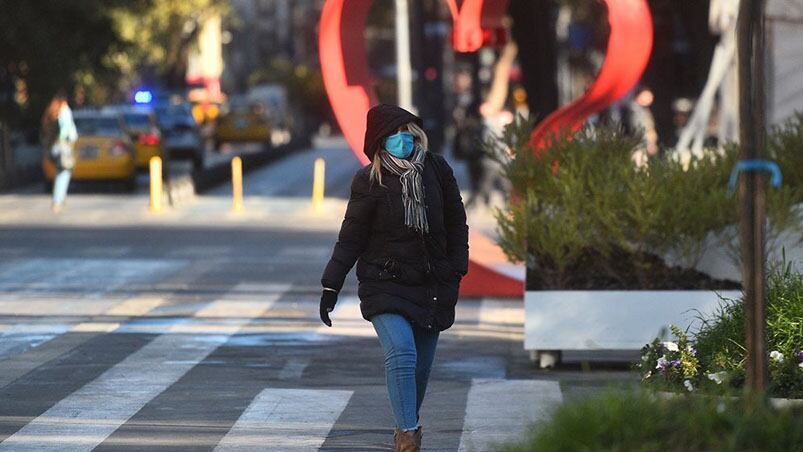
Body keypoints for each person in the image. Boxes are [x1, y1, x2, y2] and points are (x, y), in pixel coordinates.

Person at [319, 104, 469, 451]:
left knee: (420, 370)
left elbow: (456, 222)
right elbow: (351, 237)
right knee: (401, 353)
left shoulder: (437, 170)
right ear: (378, 142)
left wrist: (456, 268)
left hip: (432, 284)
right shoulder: (368, 181)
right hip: (384, 283)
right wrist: (331, 284)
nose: (403, 140)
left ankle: (407, 425)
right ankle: (407, 436)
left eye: (408, 133)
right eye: (394, 135)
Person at [41, 92, 78, 213]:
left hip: (52, 148)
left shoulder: (51, 112)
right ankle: (58, 201)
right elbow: (69, 131)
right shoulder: (65, 111)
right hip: (63, 147)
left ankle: (60, 199)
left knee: (59, 173)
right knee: (63, 174)